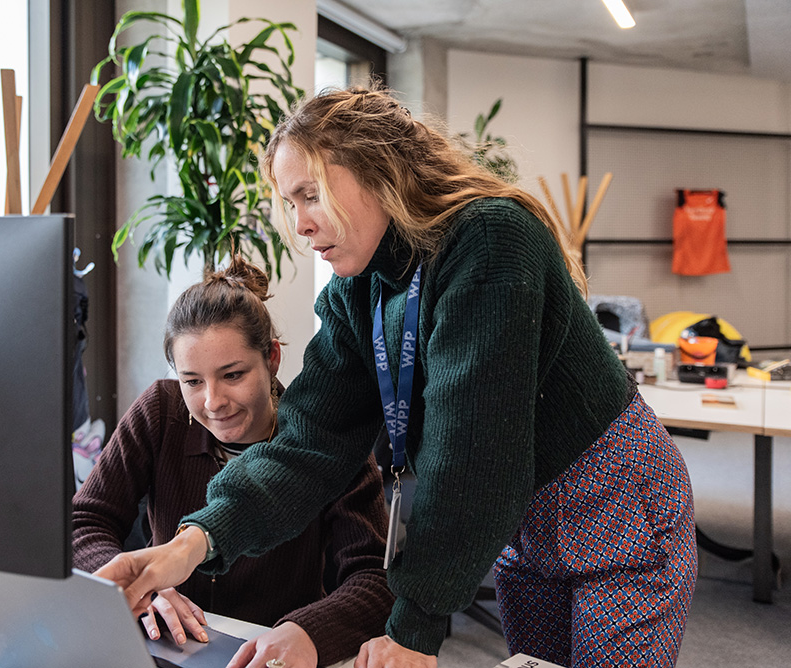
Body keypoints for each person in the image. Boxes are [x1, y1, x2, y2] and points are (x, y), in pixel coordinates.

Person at [93, 86, 698, 668]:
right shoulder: (359, 288)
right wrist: (191, 543)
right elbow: (308, 444)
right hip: (520, 519)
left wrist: (416, 626)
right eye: (291, 203)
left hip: (617, 507)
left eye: (309, 194)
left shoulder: (489, 239)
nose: (300, 225)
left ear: (376, 170)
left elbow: (473, 454)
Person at [72, 255, 394, 668]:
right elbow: (86, 520)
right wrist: (139, 589)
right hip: (160, 646)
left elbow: (373, 579)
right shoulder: (159, 411)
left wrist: (307, 630)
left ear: (272, 358)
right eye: (192, 381)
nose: (213, 402)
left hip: (268, 655)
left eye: (233, 375)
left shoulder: (331, 437)